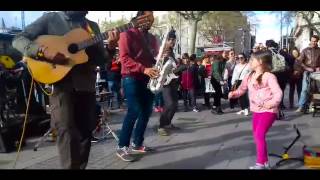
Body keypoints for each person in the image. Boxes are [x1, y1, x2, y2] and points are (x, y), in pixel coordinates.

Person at [12, 11, 119, 169]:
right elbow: (18, 40)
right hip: (61, 85)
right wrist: (43, 52)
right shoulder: (51, 18)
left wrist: (110, 47)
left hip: (86, 85)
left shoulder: (91, 26)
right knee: (66, 130)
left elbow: (100, 60)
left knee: (85, 133)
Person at [116, 11, 159, 162]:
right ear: (139, 17)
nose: (151, 20)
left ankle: (137, 143)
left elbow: (154, 59)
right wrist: (144, 69)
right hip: (131, 77)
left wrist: (161, 59)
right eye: (148, 17)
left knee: (146, 111)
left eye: (152, 17)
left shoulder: (153, 38)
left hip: (148, 78)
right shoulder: (126, 33)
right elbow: (124, 58)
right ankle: (122, 146)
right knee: (134, 110)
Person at [229, 51, 283, 169]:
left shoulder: (269, 76)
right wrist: (234, 93)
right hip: (256, 111)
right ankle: (265, 162)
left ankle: (260, 164)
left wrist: (272, 103)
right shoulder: (249, 76)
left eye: (252, 60)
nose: (250, 62)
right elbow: (242, 89)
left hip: (269, 111)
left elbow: (278, 93)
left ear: (260, 62)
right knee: (257, 136)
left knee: (259, 134)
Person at [157, 28, 186, 136]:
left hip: (173, 81)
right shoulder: (163, 52)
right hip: (166, 82)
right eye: (171, 40)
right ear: (166, 40)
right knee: (169, 104)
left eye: (174, 40)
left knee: (174, 105)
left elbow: (173, 68)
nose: (173, 42)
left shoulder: (171, 52)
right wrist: (181, 68)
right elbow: (164, 69)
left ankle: (168, 123)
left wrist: (179, 68)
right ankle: (161, 126)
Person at [296, 35, 320, 113]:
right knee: (305, 89)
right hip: (307, 72)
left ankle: (313, 105)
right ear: (310, 41)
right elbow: (299, 61)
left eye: (315, 41)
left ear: (317, 41)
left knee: (317, 89)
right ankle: (301, 106)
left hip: (317, 72)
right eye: (312, 41)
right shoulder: (305, 50)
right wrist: (306, 68)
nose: (313, 42)